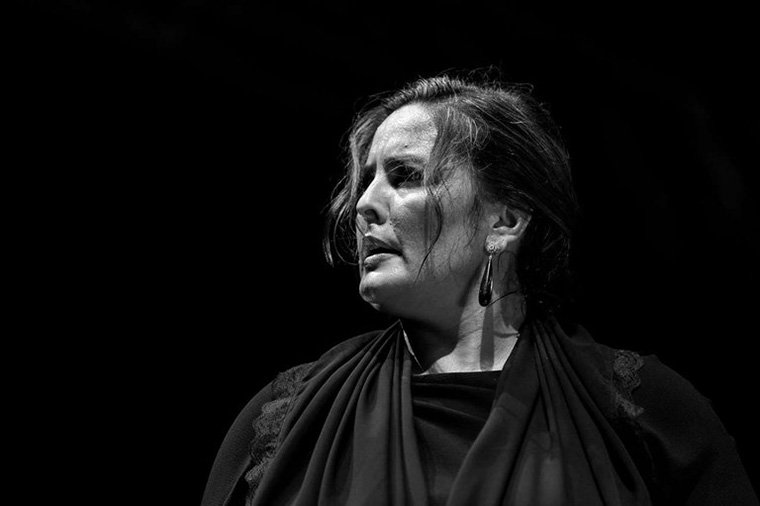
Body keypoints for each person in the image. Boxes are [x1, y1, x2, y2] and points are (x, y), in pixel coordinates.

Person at [201, 74, 757, 506]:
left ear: (505, 221)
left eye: (405, 176)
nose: (364, 204)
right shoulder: (285, 417)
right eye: (366, 180)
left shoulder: (643, 409)